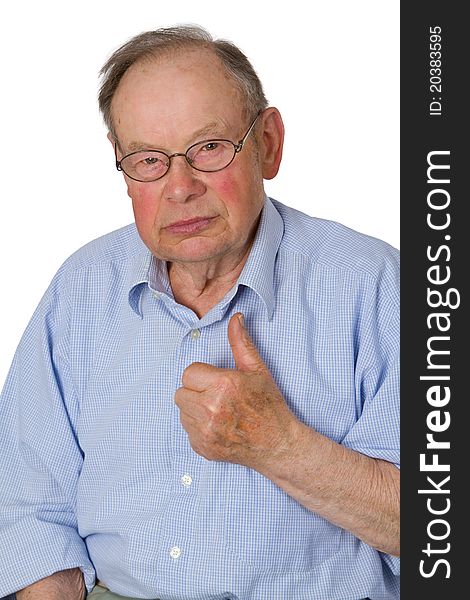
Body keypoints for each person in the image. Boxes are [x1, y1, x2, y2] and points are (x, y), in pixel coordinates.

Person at [0, 25, 399, 600]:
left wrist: (281, 446)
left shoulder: (377, 284)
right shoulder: (81, 290)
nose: (180, 188)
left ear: (268, 143)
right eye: (148, 160)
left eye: (208, 148)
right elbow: (27, 504)